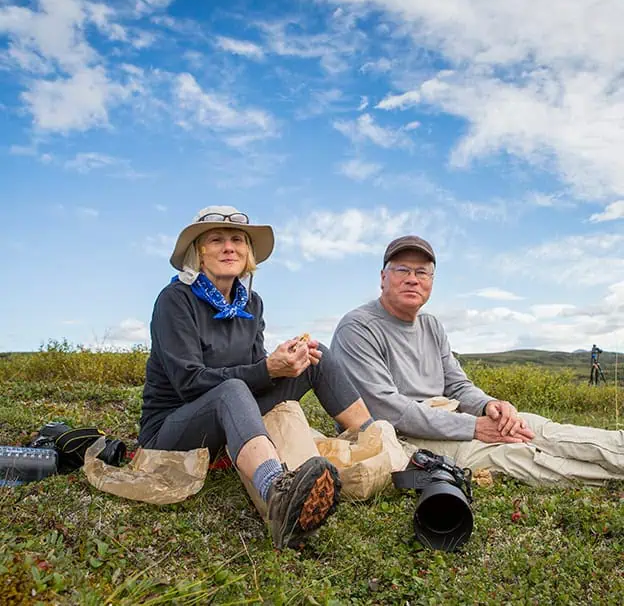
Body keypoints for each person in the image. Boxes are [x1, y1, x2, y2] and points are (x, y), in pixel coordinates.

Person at [138, 205, 373, 548]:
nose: (229, 247)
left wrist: (285, 364)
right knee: (230, 389)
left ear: (248, 253)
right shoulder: (174, 300)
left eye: (237, 240)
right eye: (216, 239)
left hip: (229, 413)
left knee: (315, 355)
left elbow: (253, 369)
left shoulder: (252, 304)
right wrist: (266, 369)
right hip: (171, 429)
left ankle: (378, 444)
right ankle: (278, 493)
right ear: (198, 253)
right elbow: (189, 383)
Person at [330, 235, 624, 486]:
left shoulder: (431, 325)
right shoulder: (358, 328)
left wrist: (488, 406)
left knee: (539, 429)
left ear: (431, 282)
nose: (412, 279)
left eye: (422, 272)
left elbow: (458, 385)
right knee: (516, 454)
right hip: (401, 437)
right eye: (402, 270)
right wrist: (474, 427)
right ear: (383, 278)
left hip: (447, 418)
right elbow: (387, 410)